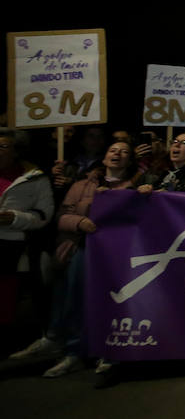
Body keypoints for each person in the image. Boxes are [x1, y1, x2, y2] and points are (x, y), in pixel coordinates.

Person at [45, 141, 141, 378]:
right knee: (75, 299)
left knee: (111, 304)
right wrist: (80, 222)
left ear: (130, 161)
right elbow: (61, 216)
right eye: (112, 150)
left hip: (116, 256)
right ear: (105, 157)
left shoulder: (135, 188)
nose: (117, 154)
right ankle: (73, 352)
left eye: (124, 152)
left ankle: (108, 352)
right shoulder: (81, 185)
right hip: (83, 250)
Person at [2, 131, 55, 357]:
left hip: (11, 245)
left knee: (5, 296)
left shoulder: (35, 178)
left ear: (16, 151)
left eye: (4, 146)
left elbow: (44, 214)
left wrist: (15, 218)